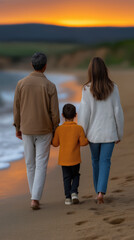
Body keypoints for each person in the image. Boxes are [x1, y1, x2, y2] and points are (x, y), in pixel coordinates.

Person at [13, 52, 60, 210]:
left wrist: (17, 127)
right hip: (44, 129)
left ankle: (34, 196)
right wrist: (55, 128)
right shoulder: (50, 86)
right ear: (45, 66)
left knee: (30, 164)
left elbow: (17, 109)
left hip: (26, 128)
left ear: (32, 65)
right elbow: (54, 112)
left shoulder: (21, 84)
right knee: (41, 164)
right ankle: (35, 198)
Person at [78, 57, 124, 204]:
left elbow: (84, 114)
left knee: (95, 161)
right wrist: (119, 133)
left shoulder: (86, 89)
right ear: (105, 70)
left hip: (93, 134)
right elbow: (118, 112)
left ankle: (98, 190)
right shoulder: (113, 87)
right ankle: (100, 192)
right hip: (110, 133)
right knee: (105, 162)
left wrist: (82, 134)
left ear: (91, 71)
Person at [52, 103, 88, 205]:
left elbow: (55, 144)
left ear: (62, 115)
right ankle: (74, 193)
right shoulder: (79, 128)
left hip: (64, 160)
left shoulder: (59, 129)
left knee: (66, 178)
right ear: (75, 115)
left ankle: (68, 198)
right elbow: (83, 143)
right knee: (76, 175)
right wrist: (88, 139)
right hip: (75, 159)